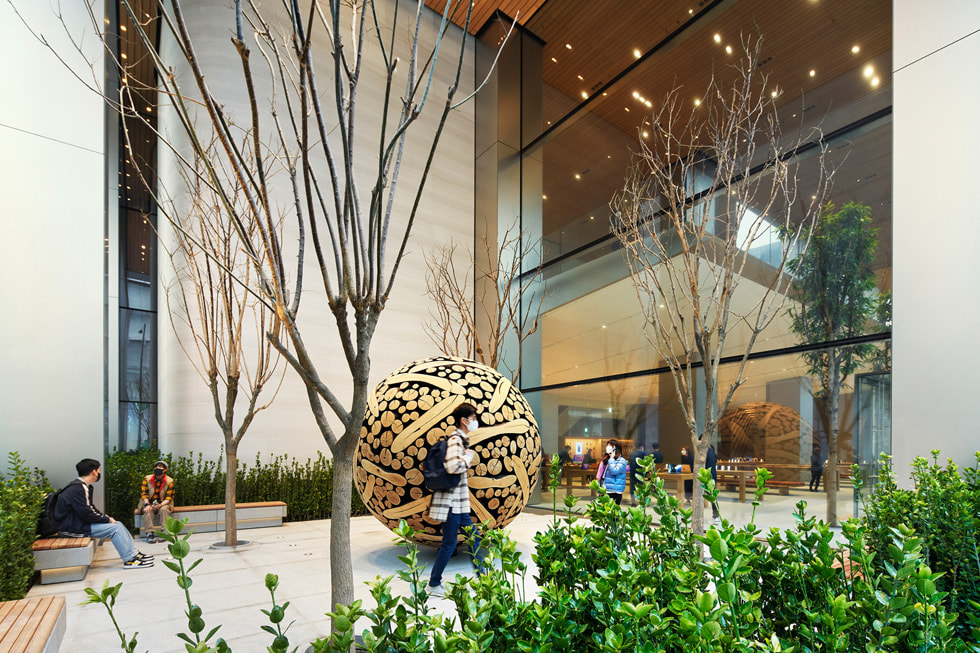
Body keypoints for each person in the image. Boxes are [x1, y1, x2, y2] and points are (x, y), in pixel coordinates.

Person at [427, 402, 485, 598]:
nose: (475, 422)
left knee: (474, 538)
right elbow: (452, 467)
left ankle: (482, 578)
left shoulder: (461, 440)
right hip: (452, 504)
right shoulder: (455, 440)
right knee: (449, 544)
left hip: (459, 505)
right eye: (474, 418)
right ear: (464, 420)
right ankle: (434, 583)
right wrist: (468, 457)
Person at [54, 458, 154, 569]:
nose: (99, 472)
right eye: (98, 470)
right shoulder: (78, 488)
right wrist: (106, 520)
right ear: (93, 471)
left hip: (78, 524)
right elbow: (86, 513)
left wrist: (107, 518)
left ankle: (134, 554)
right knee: (115, 529)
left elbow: (90, 509)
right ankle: (130, 560)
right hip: (72, 529)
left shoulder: (82, 486)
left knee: (118, 524)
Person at [139, 460, 174, 543]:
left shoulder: (170, 481)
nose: (158, 468)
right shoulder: (147, 479)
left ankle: (164, 532)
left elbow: (168, 498)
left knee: (164, 509)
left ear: (165, 470)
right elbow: (144, 494)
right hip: (149, 502)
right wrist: (147, 504)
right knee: (147, 510)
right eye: (157, 466)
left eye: (161, 467)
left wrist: (160, 505)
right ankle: (150, 533)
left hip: (163, 503)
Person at [629, 441, 663, 505]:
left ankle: (633, 502)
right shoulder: (643, 453)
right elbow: (646, 463)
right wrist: (648, 471)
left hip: (632, 473)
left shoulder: (632, 454)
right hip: (641, 474)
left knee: (632, 488)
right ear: (642, 447)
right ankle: (643, 501)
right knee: (642, 488)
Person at [597, 439, 628, 505]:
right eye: (607, 446)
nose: (608, 449)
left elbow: (614, 471)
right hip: (606, 490)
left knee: (614, 512)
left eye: (611, 447)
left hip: (615, 491)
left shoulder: (622, 461)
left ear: (616, 449)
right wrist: (599, 489)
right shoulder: (605, 460)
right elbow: (600, 476)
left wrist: (611, 458)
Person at [705, 444, 719, 519]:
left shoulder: (705, 452)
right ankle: (716, 515)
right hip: (713, 476)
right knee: (712, 497)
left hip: (707, 477)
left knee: (712, 497)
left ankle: (716, 515)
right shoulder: (712, 452)